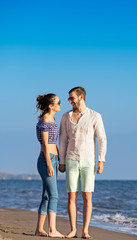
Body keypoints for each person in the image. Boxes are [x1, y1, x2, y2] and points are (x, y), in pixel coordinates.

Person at [59, 87, 107, 239]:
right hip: (71, 159)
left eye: (72, 98)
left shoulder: (95, 116)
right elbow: (62, 140)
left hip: (88, 160)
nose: (70, 101)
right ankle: (73, 230)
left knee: (87, 196)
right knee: (71, 196)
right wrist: (61, 161)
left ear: (81, 97)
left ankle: (85, 230)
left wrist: (101, 160)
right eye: (69, 99)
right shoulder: (66, 117)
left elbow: (101, 139)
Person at [35, 93, 64, 238]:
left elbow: (53, 143)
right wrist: (49, 164)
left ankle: (39, 229)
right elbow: (45, 145)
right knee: (54, 195)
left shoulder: (52, 118)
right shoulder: (46, 119)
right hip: (46, 160)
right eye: (58, 102)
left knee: (47, 195)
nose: (60, 104)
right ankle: (52, 229)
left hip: (53, 159)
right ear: (51, 106)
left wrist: (59, 159)